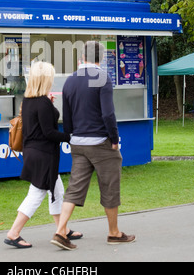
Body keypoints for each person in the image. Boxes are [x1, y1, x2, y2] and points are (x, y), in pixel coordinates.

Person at [51, 41, 135, 250]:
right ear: (102, 58)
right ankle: (114, 233)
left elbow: (67, 116)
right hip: (100, 143)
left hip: (78, 143)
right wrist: (114, 139)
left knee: (74, 188)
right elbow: (108, 113)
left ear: (82, 56)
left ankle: (61, 231)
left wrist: (71, 137)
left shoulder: (70, 80)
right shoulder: (103, 78)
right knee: (109, 187)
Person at [4, 61, 82, 248]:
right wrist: (71, 137)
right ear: (46, 79)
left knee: (57, 192)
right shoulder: (42, 102)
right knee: (37, 193)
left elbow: (40, 125)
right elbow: (49, 133)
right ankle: (13, 233)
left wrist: (50, 105)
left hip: (34, 153)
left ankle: (62, 229)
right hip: (44, 155)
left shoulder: (29, 100)